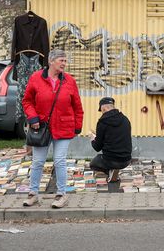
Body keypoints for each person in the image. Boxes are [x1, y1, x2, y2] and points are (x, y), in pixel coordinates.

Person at [22, 49, 83, 208]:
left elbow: (77, 106)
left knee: (59, 160)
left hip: (64, 126)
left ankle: (61, 194)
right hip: (41, 127)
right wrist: (32, 117)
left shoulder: (69, 81)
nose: (64, 63)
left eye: (65, 61)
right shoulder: (36, 78)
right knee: (38, 162)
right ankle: (33, 193)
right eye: (61, 60)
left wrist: (78, 126)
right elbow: (27, 101)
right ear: (51, 61)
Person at [88, 97, 132, 183]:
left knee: (93, 163)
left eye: (101, 110)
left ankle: (110, 171)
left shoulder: (102, 122)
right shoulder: (125, 119)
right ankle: (114, 172)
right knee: (110, 158)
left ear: (104, 108)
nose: (102, 113)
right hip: (126, 160)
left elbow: (97, 147)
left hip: (110, 160)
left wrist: (92, 139)